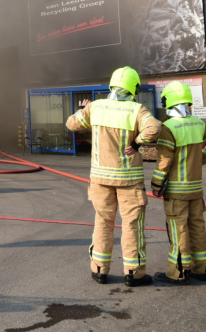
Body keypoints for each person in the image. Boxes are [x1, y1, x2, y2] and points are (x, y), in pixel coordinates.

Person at [66, 66, 162, 287]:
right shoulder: (137, 109)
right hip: (129, 180)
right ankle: (133, 273)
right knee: (131, 225)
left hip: (100, 179)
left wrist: (85, 110)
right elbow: (155, 128)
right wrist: (137, 143)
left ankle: (99, 270)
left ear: (112, 85)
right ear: (134, 87)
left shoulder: (96, 108)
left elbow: (71, 123)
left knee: (103, 222)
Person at [152, 81, 206, 285]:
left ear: (169, 101)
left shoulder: (168, 127)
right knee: (197, 227)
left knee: (179, 230)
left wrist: (157, 185)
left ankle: (179, 272)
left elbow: (164, 161)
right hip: (196, 190)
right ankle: (201, 269)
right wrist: (200, 160)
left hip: (176, 192)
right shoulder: (199, 123)